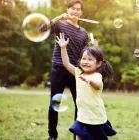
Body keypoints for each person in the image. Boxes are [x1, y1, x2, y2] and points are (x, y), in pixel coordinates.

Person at [39, 0, 88, 140]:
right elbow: (42, 29)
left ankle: (77, 137)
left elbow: (84, 55)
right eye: (72, 9)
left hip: (75, 71)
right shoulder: (60, 25)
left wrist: (94, 47)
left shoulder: (84, 33)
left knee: (79, 104)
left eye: (78, 9)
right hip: (59, 67)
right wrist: (58, 18)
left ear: (81, 12)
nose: (75, 11)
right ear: (67, 10)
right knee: (54, 104)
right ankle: (52, 136)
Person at [55, 32, 117, 140]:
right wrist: (63, 47)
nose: (85, 62)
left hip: (95, 116)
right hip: (82, 116)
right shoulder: (79, 73)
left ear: (98, 64)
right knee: (78, 137)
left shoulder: (96, 76)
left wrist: (90, 81)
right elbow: (66, 63)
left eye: (90, 59)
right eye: (83, 59)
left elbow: (97, 86)